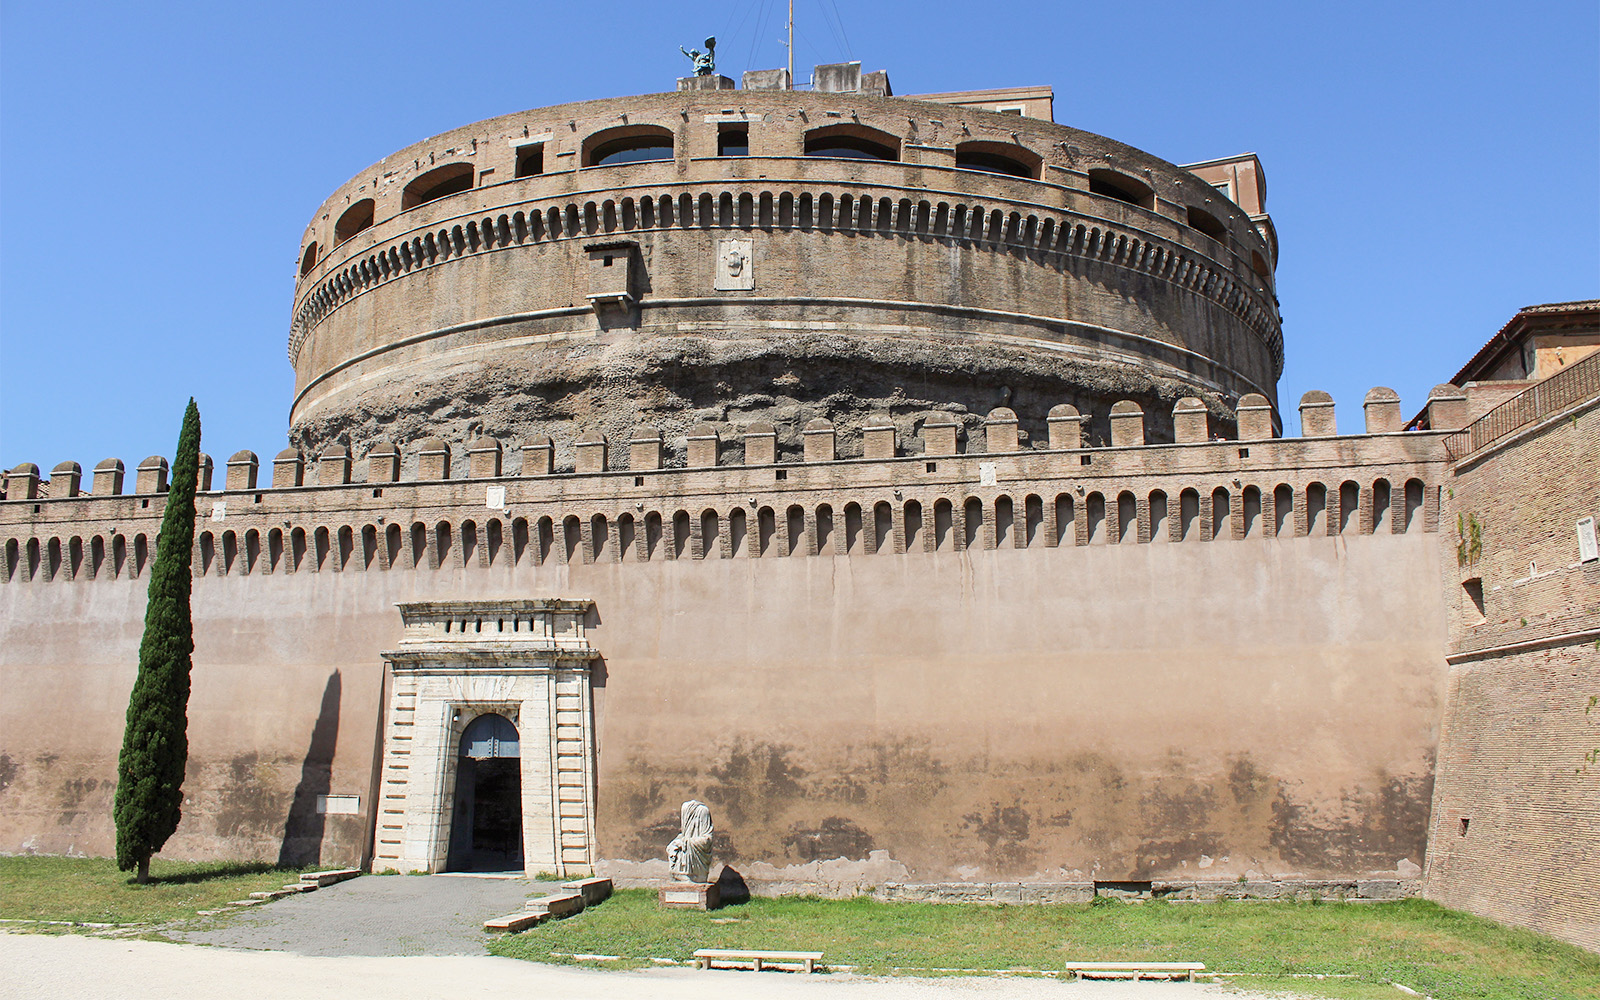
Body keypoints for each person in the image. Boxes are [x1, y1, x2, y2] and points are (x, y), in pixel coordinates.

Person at [667, 799, 714, 882]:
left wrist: (685, 843)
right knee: (673, 846)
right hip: (687, 847)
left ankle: (692, 876)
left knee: (684, 844)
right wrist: (675, 843)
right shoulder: (685, 810)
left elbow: (707, 840)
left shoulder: (703, 811)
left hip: (697, 859)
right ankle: (679, 875)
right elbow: (683, 835)